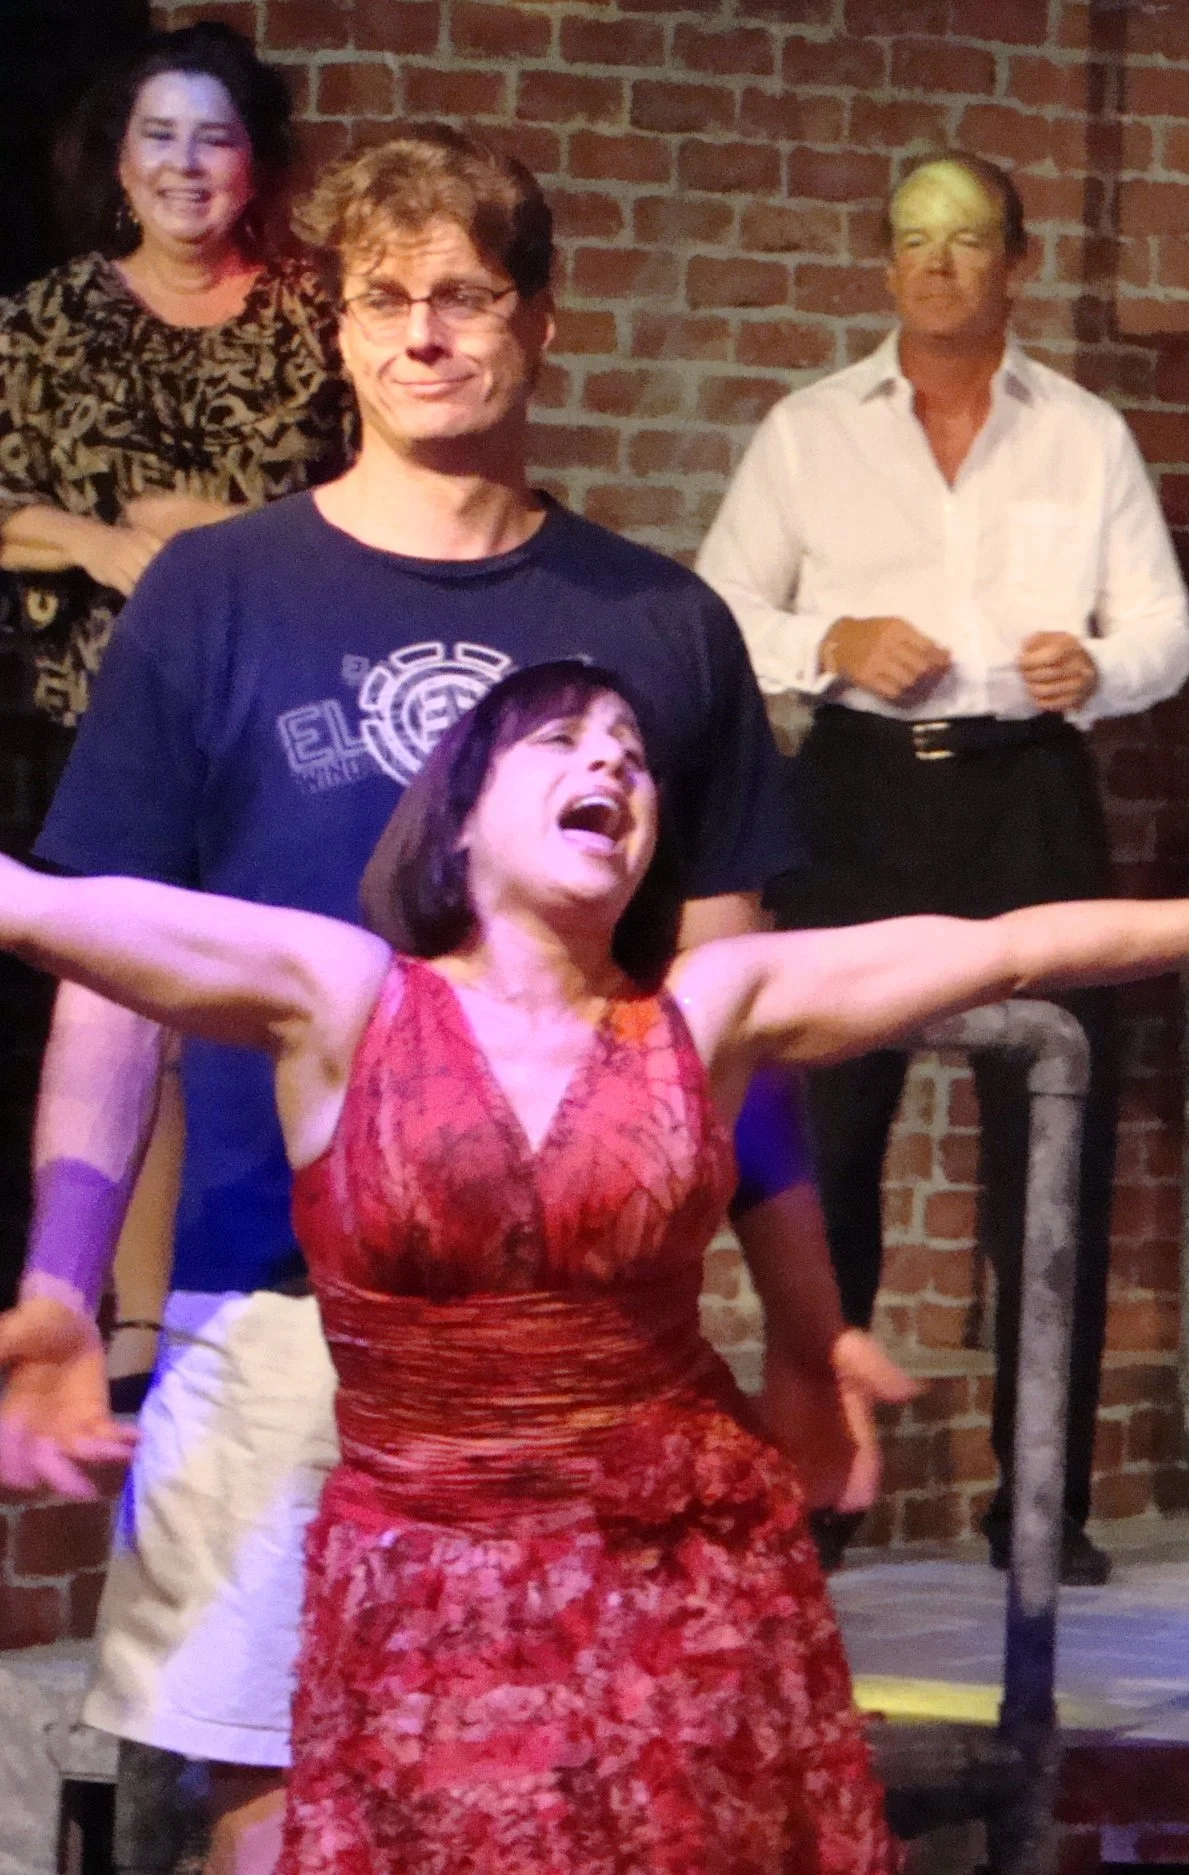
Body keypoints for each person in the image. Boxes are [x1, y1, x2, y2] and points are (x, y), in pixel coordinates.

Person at [0, 657, 1189, 1870]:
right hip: (426, 1577)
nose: (610, 765)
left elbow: (1000, 949)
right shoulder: (345, 996)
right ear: (459, 811)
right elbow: (54, 912)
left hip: (675, 1571)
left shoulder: (707, 1005)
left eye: (632, 755)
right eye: (562, 741)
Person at [0, 126, 887, 1875]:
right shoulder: (216, 595)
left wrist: (806, 1318)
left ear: (540, 321)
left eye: (466, 296)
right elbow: (110, 984)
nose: (422, 334)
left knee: (610, 1809)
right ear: (336, 328)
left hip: (589, 1362)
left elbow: (734, 1023)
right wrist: (56, 1277)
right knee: (279, 1794)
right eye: (384, 297)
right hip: (273, 1292)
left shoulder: (661, 620)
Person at [697, 150, 1189, 1583]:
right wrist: (830, 640)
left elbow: (1164, 635)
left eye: (968, 239)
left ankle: (1042, 1502)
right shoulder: (810, 430)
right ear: (883, 263)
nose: (937, 263)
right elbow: (720, 605)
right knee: (829, 1144)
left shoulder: (1084, 432)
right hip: (859, 790)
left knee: (1053, 1140)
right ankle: (822, 1487)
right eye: (913, 239)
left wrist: (1097, 668)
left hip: (1027, 790)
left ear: (1017, 262)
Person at [0, 21, 350, 1325]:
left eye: (215, 138)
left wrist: (204, 530)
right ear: (118, 158)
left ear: (255, 165)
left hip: (285, 706)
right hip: (101, 710)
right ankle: (134, 1323)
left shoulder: (320, 318)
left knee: (264, 1003)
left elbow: (370, 500)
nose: (185, 164)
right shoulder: (41, 320)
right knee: (123, 1008)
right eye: (159, 136)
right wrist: (100, 540)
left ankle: (272, 1303)